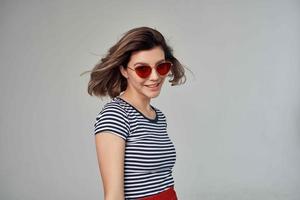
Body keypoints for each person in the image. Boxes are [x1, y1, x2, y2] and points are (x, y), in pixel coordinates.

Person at [85, 26, 187, 200]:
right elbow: (114, 195)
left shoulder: (158, 117)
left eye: (161, 67)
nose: (155, 77)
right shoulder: (115, 115)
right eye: (143, 69)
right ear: (124, 70)